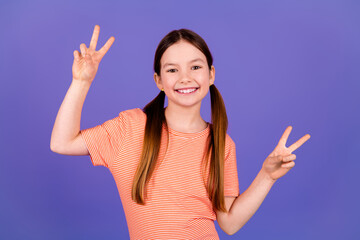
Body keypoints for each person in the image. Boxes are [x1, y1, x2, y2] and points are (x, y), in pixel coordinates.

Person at [50, 25, 311, 239]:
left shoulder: (221, 144)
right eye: (172, 70)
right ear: (159, 81)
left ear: (211, 75)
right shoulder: (130, 128)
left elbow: (229, 223)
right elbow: (62, 142)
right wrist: (81, 82)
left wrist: (267, 176)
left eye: (195, 67)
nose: (185, 77)